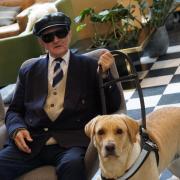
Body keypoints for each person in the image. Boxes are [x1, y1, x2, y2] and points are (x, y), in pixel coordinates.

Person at [0, 12, 120, 180]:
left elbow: (113, 106)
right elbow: (14, 111)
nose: (56, 39)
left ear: (69, 34)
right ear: (41, 42)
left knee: (72, 167)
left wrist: (106, 76)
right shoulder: (28, 70)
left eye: (61, 33)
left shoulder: (91, 67)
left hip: (71, 143)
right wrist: (17, 129)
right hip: (32, 142)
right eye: (48, 37)